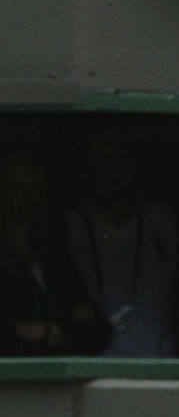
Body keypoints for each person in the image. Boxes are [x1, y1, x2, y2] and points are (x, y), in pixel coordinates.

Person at [63, 140, 179, 357]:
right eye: (100, 163)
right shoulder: (72, 224)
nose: (110, 170)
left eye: (118, 161)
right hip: (93, 362)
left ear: (132, 164)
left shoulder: (160, 219)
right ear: (86, 169)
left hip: (155, 358)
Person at [0, 153, 109, 357]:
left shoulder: (53, 255)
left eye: (34, 187)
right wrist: (66, 325)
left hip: (59, 384)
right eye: (17, 187)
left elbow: (99, 332)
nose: (27, 196)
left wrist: (47, 330)